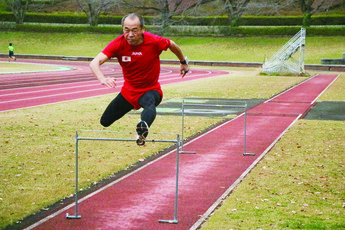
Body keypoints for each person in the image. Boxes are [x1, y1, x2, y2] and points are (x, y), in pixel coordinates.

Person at [90, 13, 189, 146]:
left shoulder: (154, 41)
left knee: (149, 104)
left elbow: (172, 44)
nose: (130, 34)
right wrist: (102, 78)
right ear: (123, 29)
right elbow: (94, 62)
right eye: (126, 30)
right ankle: (141, 125)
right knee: (105, 121)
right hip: (128, 93)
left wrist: (183, 61)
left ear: (142, 29)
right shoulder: (118, 44)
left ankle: (142, 129)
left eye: (134, 30)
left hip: (151, 90)